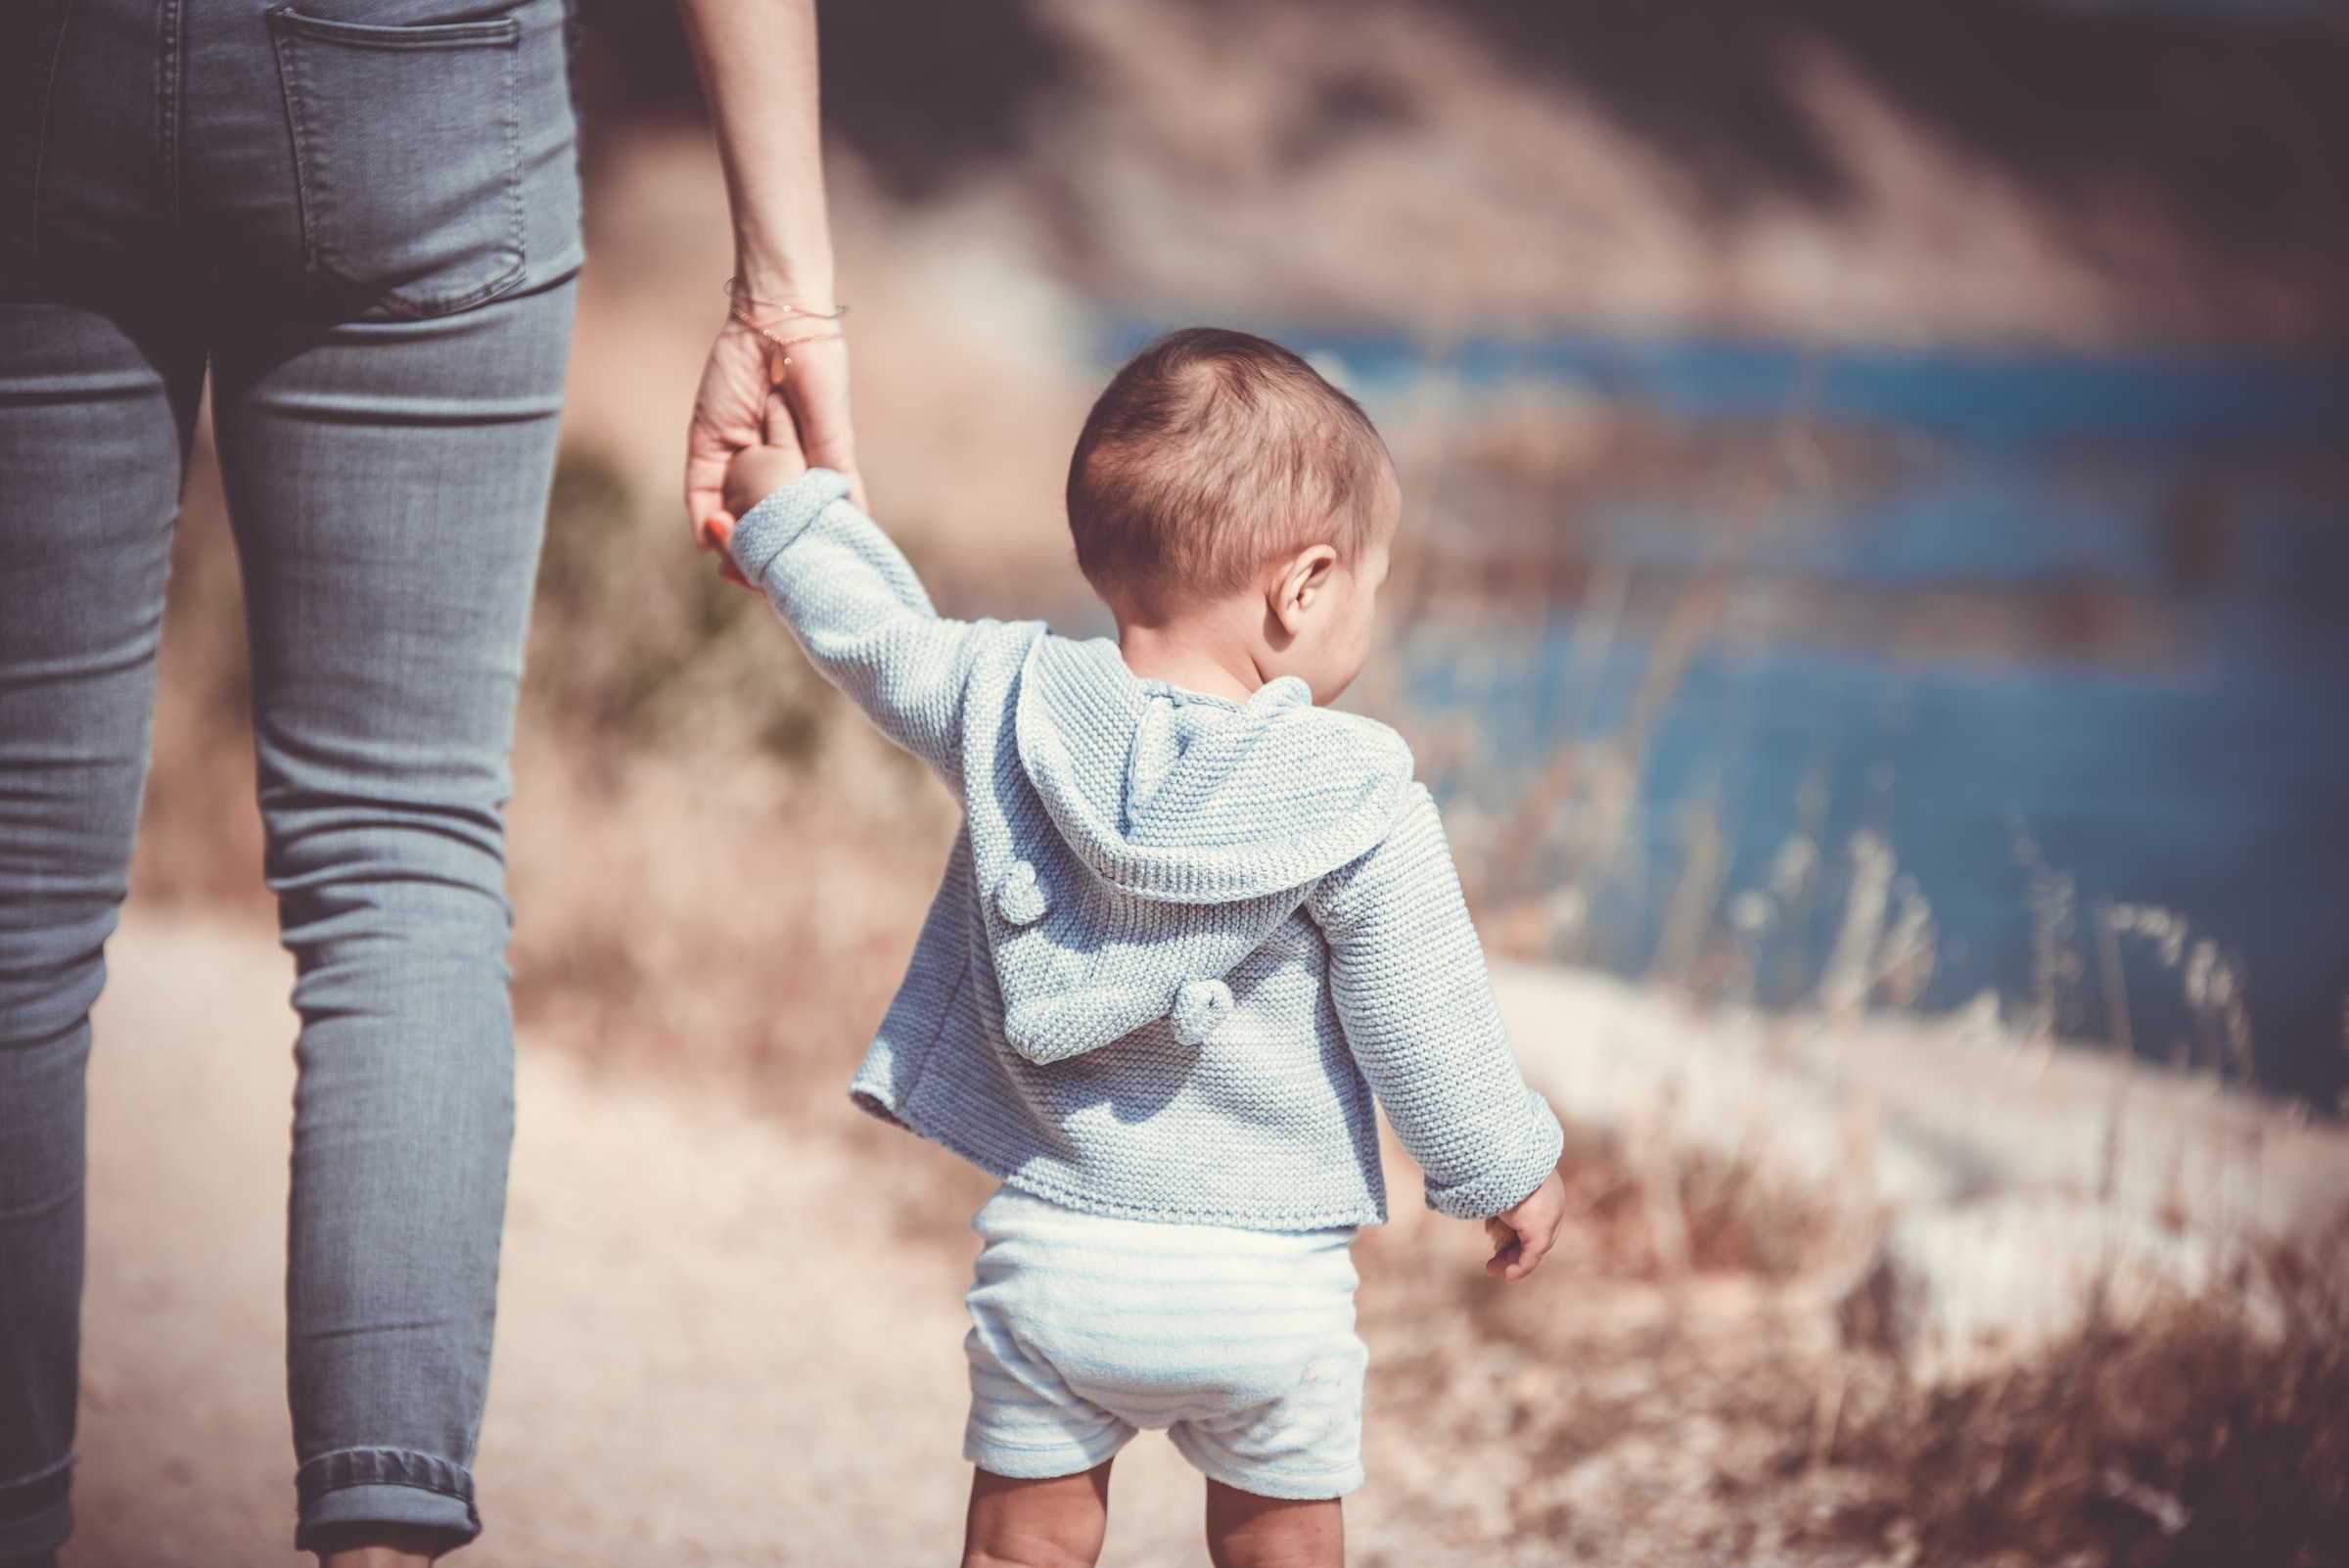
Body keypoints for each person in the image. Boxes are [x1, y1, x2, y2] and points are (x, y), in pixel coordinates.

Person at [0, 1, 849, 1562]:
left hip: (52, 72)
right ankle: (381, 1541)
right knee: (403, 858)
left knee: (15, 882)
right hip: (424, 73)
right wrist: (785, 287)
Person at [714, 327, 1571, 1568]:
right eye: (1375, 586)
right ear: (1306, 585)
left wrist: (778, 504)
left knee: (1025, 1548)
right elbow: (1423, 1014)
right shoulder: (1355, 788)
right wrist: (1505, 1169)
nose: (1369, 614)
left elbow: (874, 633)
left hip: (1060, 1253)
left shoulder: (1006, 699)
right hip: (1267, 1282)